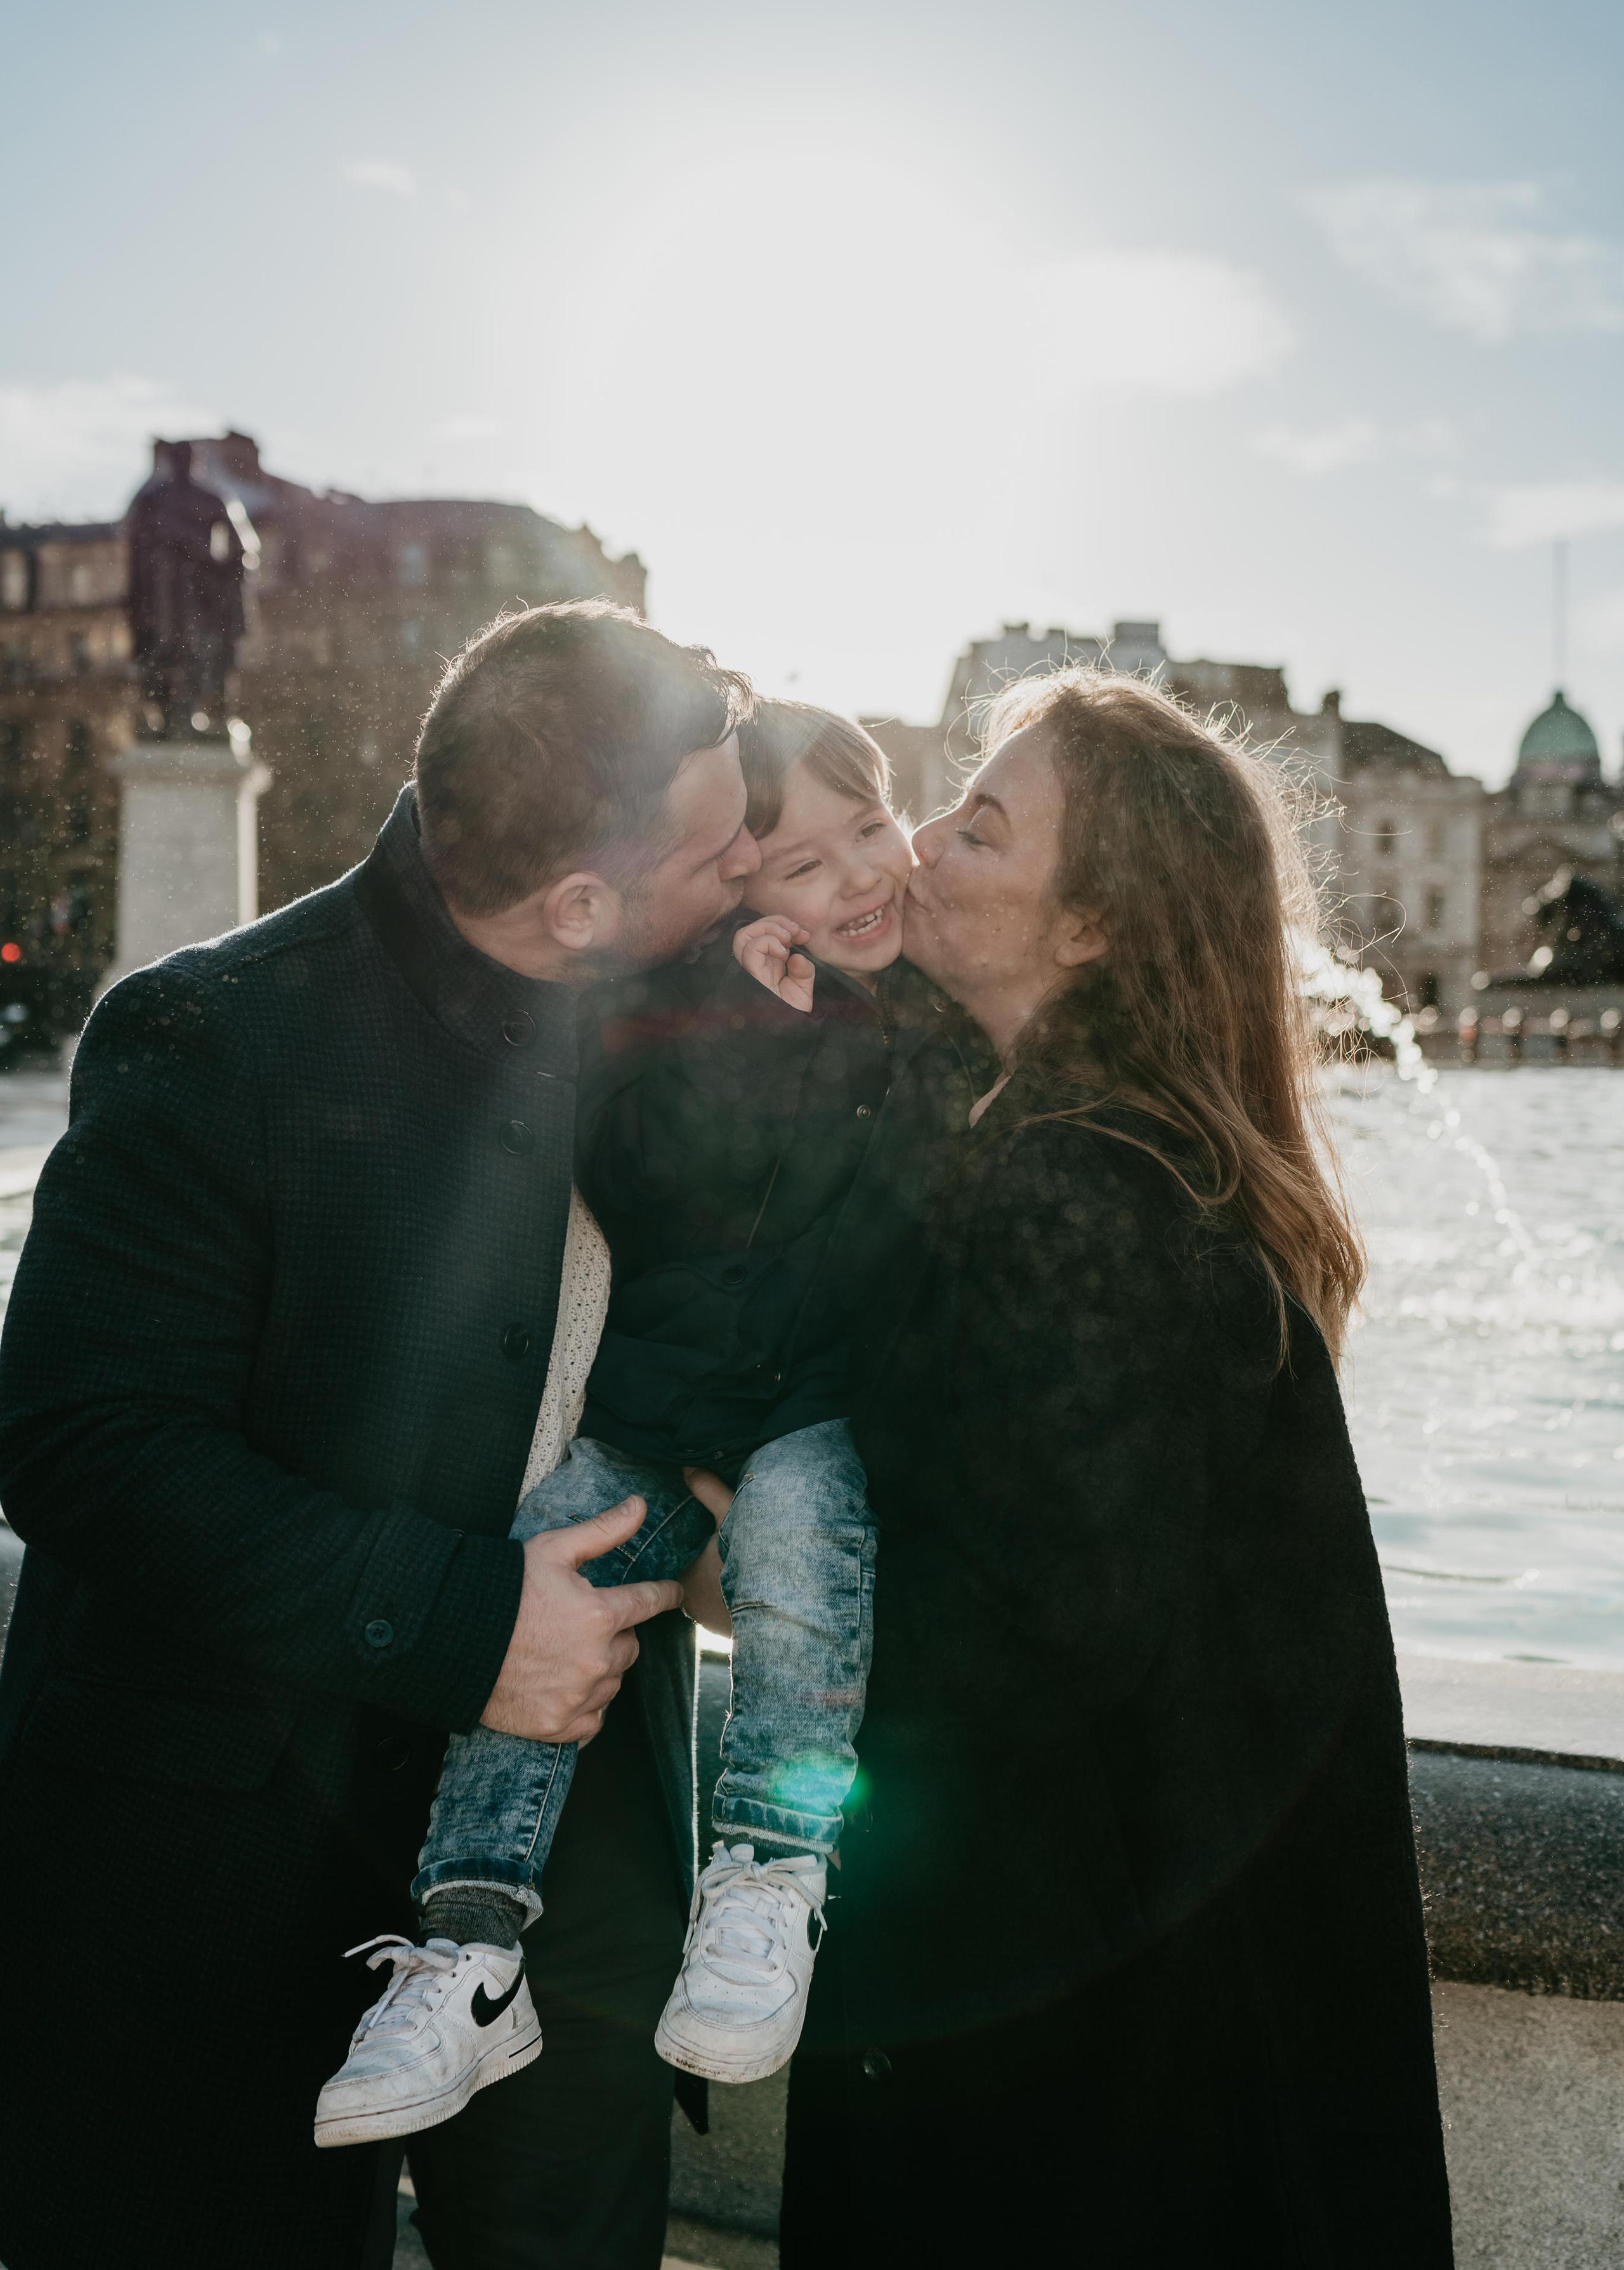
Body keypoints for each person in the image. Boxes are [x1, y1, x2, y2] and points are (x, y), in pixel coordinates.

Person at [0, 600, 759, 2270]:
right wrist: (469, 1626)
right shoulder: (204, 1030)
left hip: (584, 1864)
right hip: (225, 1850)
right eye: (716, 839)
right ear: (581, 904)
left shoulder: (698, 997)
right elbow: (81, 1436)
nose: (749, 857)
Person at [777, 667, 1455, 2268]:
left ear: (1088, 927)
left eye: (983, 826)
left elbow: (1036, 1637)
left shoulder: (1076, 1195)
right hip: (1184, 2028)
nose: (920, 844)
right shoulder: (1135, 1155)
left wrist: (750, 1535)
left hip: (1081, 2085)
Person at [313, 698, 965, 2141]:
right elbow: (646, 1180)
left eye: (870, 827)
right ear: (737, 894)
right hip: (655, 1416)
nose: (856, 876)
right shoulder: (683, 1017)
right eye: (800, 863)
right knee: (542, 1560)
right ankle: (471, 1942)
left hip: (805, 1421)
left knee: (797, 1534)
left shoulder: (932, 1024)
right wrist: (743, 1034)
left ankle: (773, 1867)